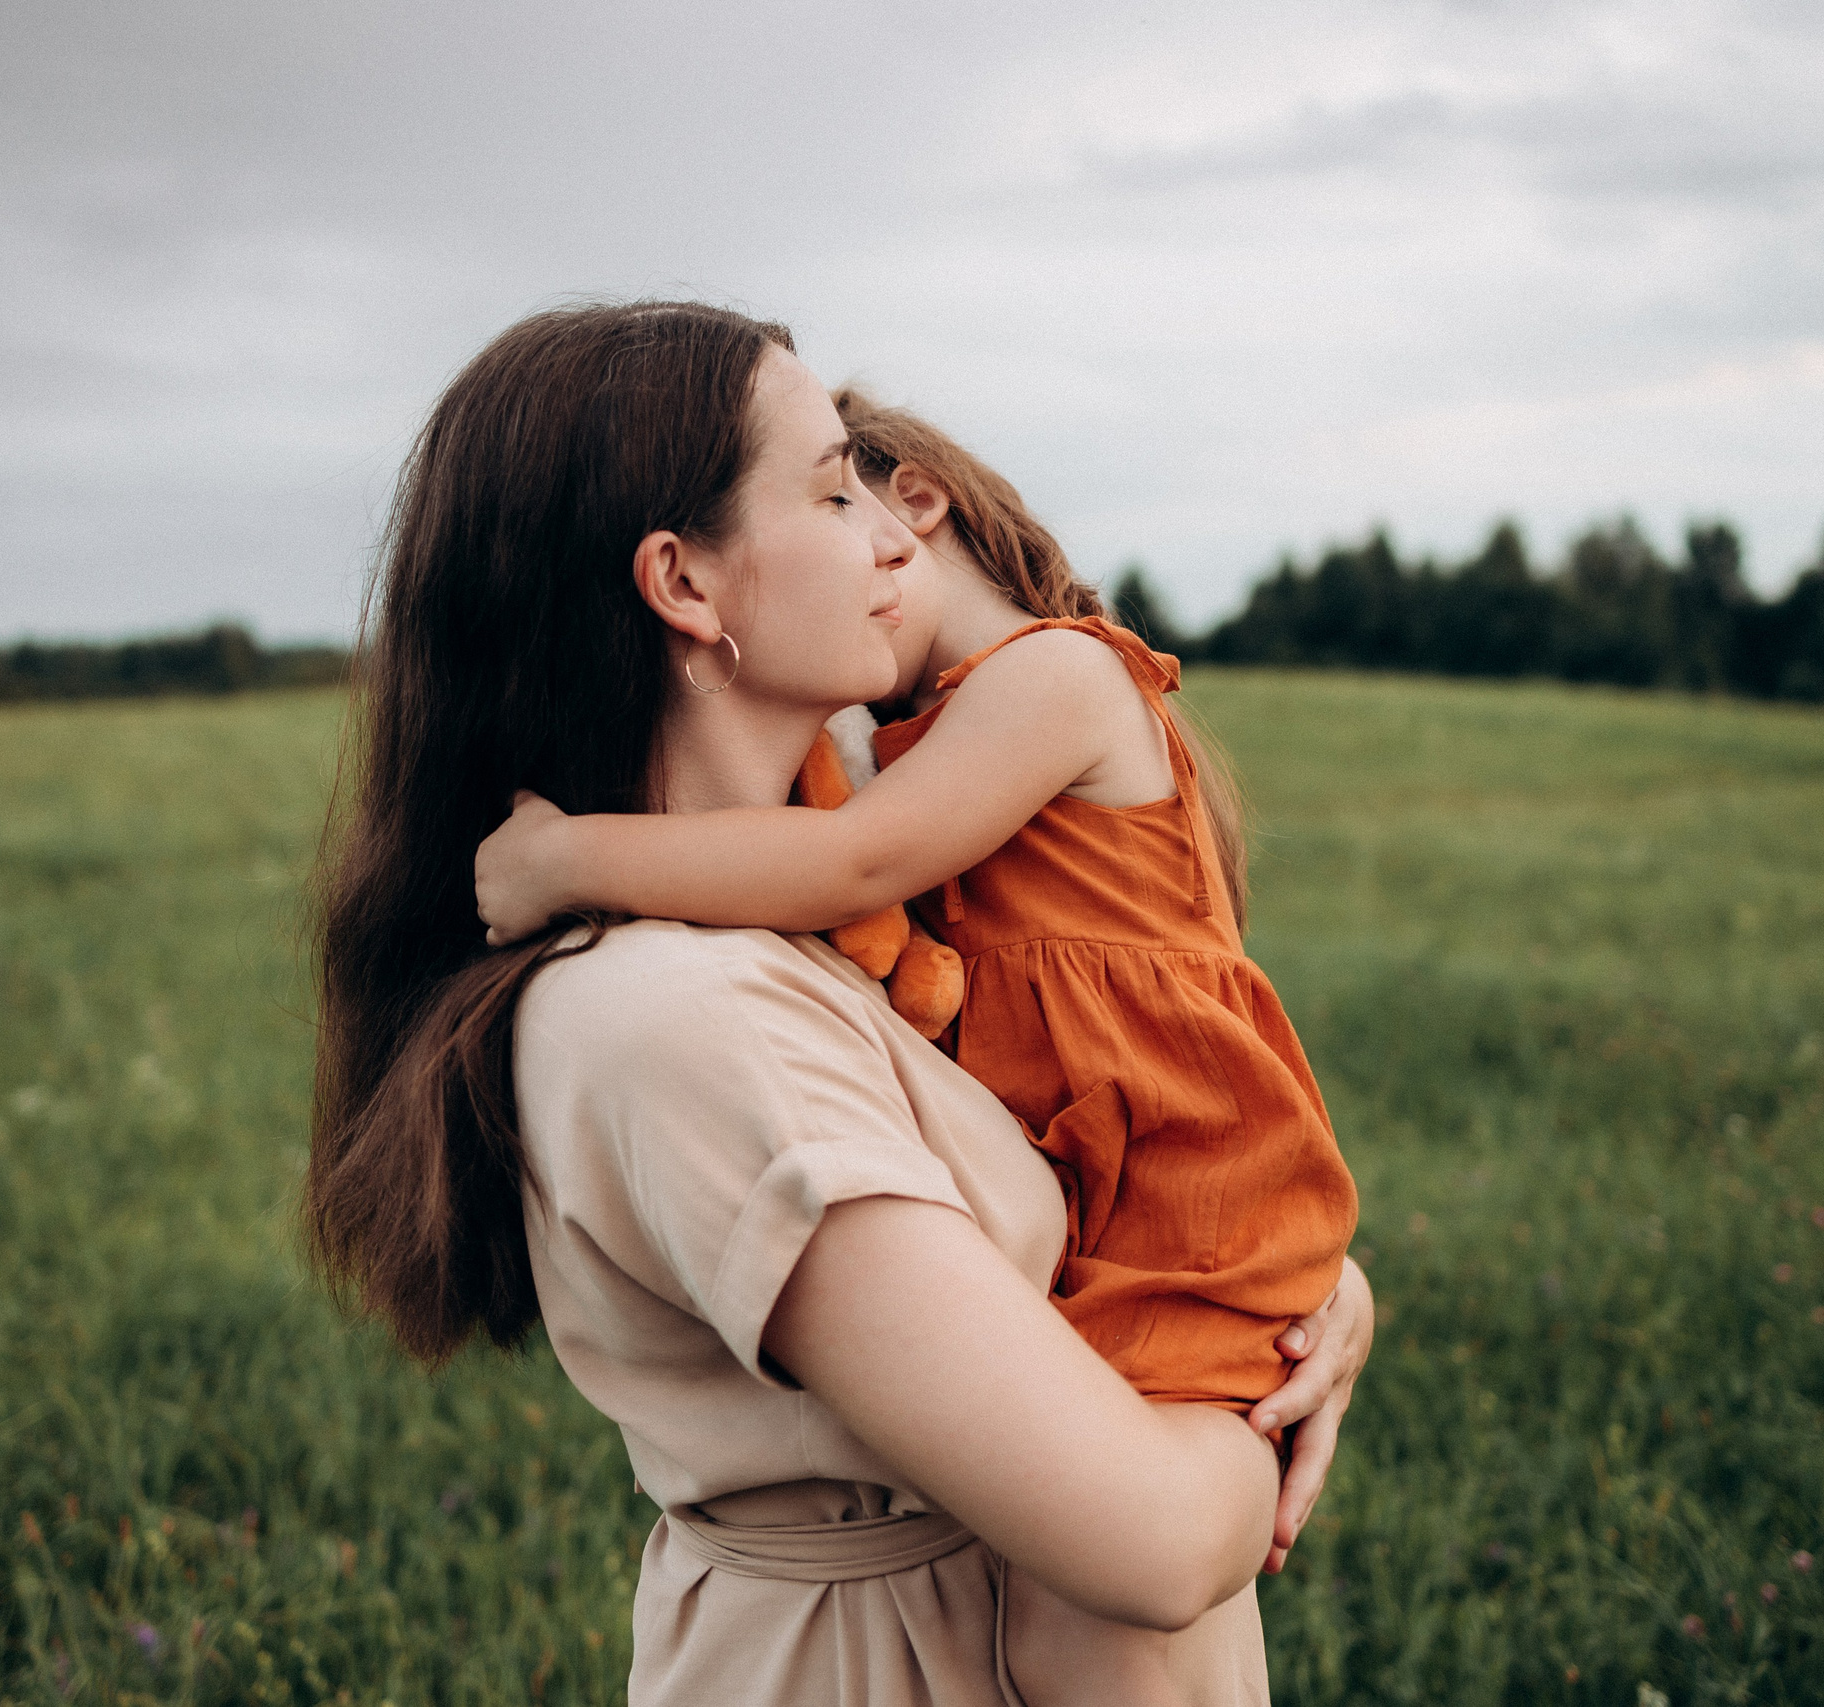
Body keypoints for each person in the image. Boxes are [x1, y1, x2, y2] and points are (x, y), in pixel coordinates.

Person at [310, 300, 1373, 1705]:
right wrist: (1260, 1411)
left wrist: (1303, 1292)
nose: (887, 534)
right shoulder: (684, 1017)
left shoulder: (832, 933)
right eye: (830, 488)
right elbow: (1158, 1545)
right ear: (686, 588)